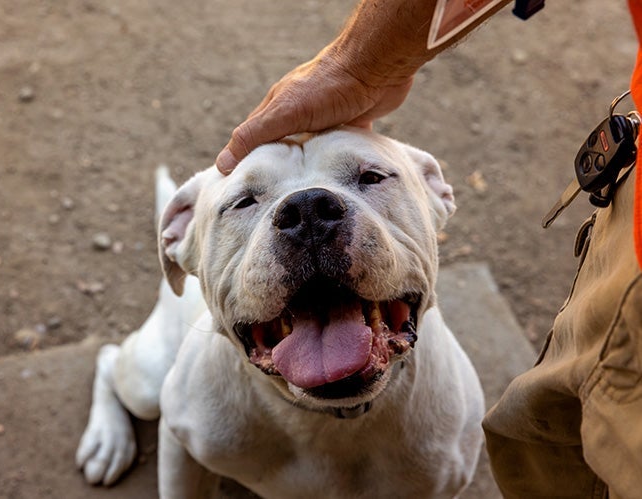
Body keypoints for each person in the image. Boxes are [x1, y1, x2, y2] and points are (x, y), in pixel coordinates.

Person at [216, 1, 642, 497]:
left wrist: (360, 63)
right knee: (567, 427)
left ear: (438, 195)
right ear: (177, 238)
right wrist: (358, 64)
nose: (307, 215)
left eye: (371, 178)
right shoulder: (202, 422)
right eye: (246, 201)